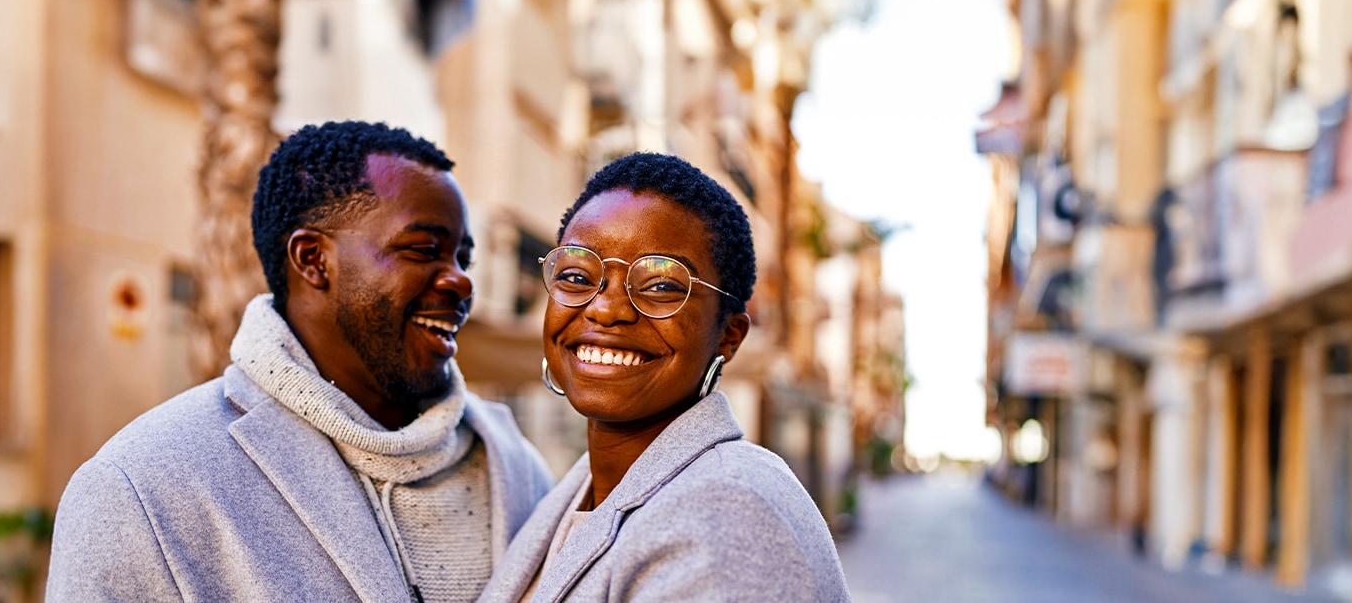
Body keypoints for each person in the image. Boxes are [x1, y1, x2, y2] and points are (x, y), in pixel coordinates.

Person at [47, 121, 555, 602]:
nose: (461, 281)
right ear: (312, 259)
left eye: (462, 258)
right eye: (424, 249)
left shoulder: (517, 467)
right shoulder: (139, 488)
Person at [479, 153, 850, 602]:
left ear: (728, 336)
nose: (605, 309)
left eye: (660, 286)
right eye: (577, 275)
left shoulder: (730, 513)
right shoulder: (580, 494)